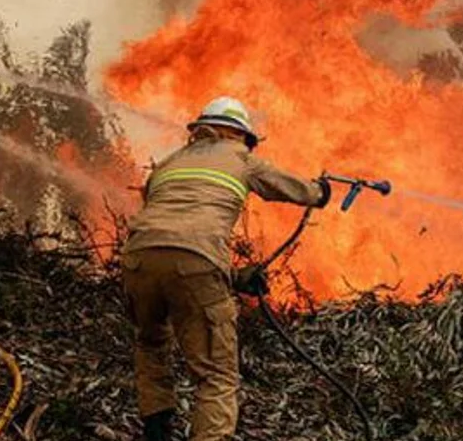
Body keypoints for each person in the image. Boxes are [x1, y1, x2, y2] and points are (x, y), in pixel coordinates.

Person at [121, 96, 331, 441]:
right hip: (196, 261)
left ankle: (157, 430)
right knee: (216, 375)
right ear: (239, 134)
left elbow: (172, 240)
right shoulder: (241, 158)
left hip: (138, 259)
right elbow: (294, 189)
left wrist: (234, 278)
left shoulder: (169, 163)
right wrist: (321, 191)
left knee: (151, 342)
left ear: (201, 130)